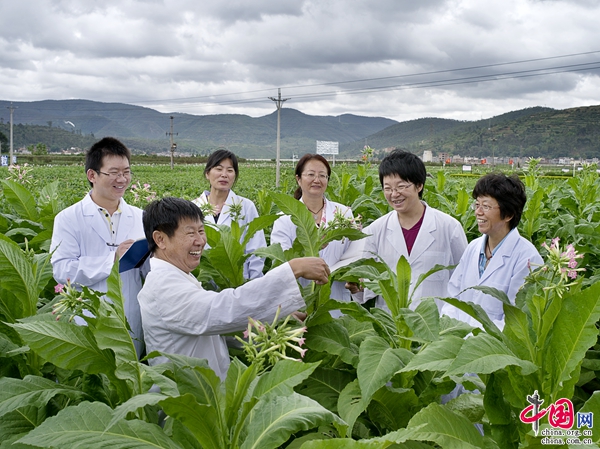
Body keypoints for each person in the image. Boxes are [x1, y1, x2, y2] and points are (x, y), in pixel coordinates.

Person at [137, 197, 330, 379]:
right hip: (187, 402)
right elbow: (222, 309)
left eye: (201, 231)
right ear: (160, 239)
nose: (200, 240)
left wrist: (276, 320)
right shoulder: (163, 286)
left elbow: (217, 329)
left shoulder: (178, 276)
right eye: (190, 233)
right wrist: (292, 269)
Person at [50, 137, 147, 357]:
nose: (122, 179)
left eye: (126, 172)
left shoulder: (141, 217)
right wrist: (112, 259)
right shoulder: (68, 218)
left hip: (132, 316)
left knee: (130, 378)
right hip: (88, 317)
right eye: (113, 173)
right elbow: (61, 269)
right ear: (92, 175)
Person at [343, 149, 467, 310]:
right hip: (392, 324)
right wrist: (357, 288)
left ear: (419, 185)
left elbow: (464, 279)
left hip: (436, 325)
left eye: (401, 186)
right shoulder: (375, 230)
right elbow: (367, 284)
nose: (394, 194)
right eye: (387, 188)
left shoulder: (449, 227)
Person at [441, 173, 543, 329]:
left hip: (493, 348)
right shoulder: (473, 247)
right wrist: (449, 329)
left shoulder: (527, 259)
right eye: (477, 205)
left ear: (508, 214)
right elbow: (453, 295)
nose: (478, 212)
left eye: (486, 206)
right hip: (455, 339)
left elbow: (517, 319)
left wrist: (475, 340)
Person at [270, 154, 354, 315]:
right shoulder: (284, 218)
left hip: (335, 301)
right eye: (311, 174)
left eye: (322, 175)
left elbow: (355, 254)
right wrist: (307, 247)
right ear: (299, 179)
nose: (317, 179)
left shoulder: (344, 213)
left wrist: (354, 278)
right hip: (300, 303)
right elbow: (281, 263)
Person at [192, 149, 266, 279]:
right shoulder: (193, 207)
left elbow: (256, 248)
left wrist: (253, 283)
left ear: (235, 176)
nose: (224, 175)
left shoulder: (246, 206)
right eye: (219, 169)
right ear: (207, 173)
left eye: (230, 170)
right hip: (203, 281)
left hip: (238, 281)